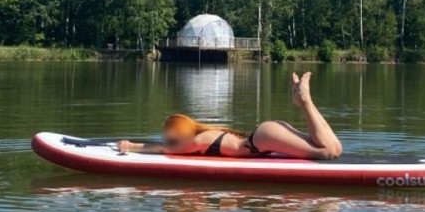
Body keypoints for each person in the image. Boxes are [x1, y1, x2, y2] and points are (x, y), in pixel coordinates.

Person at [117, 72, 342, 160]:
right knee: (336, 148)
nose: (167, 140)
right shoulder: (200, 134)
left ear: (178, 133)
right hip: (266, 134)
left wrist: (131, 146)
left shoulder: (194, 142)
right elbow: (163, 146)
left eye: (168, 135)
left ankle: (305, 100)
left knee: (325, 153)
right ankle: (303, 101)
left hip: (263, 138)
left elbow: (161, 149)